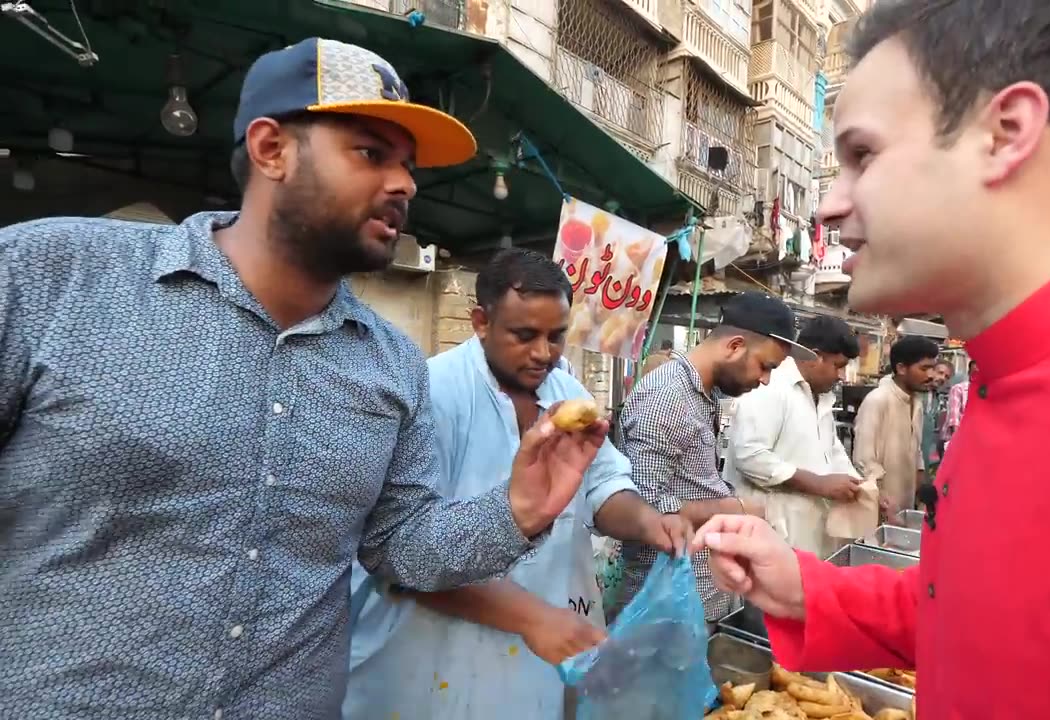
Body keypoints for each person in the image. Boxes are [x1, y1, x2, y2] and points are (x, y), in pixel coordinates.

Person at [690, 1, 1050, 718]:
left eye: (863, 156)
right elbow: (979, 611)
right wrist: (804, 588)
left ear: (1005, 135)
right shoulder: (1008, 385)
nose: (829, 206)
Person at [0, 39, 607, 719]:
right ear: (271, 149)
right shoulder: (49, 276)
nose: (405, 184)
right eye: (371, 153)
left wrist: (517, 511)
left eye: (407, 165)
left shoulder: (389, 365)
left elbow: (399, 548)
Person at [343, 249, 690, 719]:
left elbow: (604, 485)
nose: (544, 353)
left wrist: (649, 521)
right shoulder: (433, 394)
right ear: (481, 322)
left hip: (545, 647)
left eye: (556, 336)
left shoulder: (567, 393)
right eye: (525, 336)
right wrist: (530, 617)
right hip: (432, 655)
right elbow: (397, 552)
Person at [617, 292, 815, 622]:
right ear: (734, 346)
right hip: (666, 607)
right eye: (765, 367)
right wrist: (733, 508)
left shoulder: (700, 394)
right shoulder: (668, 397)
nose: (765, 380)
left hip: (696, 596)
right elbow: (639, 508)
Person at [722, 315, 862, 557]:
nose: (841, 376)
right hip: (773, 529)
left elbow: (832, 450)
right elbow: (750, 455)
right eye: (838, 366)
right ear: (815, 356)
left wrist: (860, 486)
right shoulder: (770, 386)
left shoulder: (821, 396)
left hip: (809, 531)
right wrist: (817, 484)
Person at [854, 336, 938, 521]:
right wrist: (882, 499)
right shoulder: (877, 400)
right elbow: (864, 460)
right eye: (924, 368)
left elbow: (915, 453)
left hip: (904, 504)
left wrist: (922, 491)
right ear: (901, 368)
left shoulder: (916, 402)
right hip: (880, 507)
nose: (931, 375)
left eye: (933, 368)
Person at [920, 359, 953, 469]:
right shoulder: (916, 392)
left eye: (947, 377)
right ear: (931, 371)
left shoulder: (937, 397)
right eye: (940, 373)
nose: (943, 378)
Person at [941, 360, 976, 447]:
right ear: (969, 373)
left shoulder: (985, 391)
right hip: (957, 439)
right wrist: (958, 444)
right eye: (974, 372)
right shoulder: (958, 389)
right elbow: (954, 419)